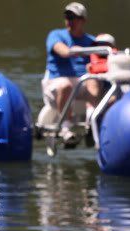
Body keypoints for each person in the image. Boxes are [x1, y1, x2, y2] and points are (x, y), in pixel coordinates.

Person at [42, 2, 100, 144]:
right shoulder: (56, 35)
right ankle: (65, 127)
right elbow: (62, 50)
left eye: (74, 17)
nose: (70, 21)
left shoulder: (92, 41)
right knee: (65, 85)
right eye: (68, 16)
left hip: (81, 82)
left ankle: (91, 121)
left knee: (93, 80)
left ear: (83, 21)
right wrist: (74, 50)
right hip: (57, 83)